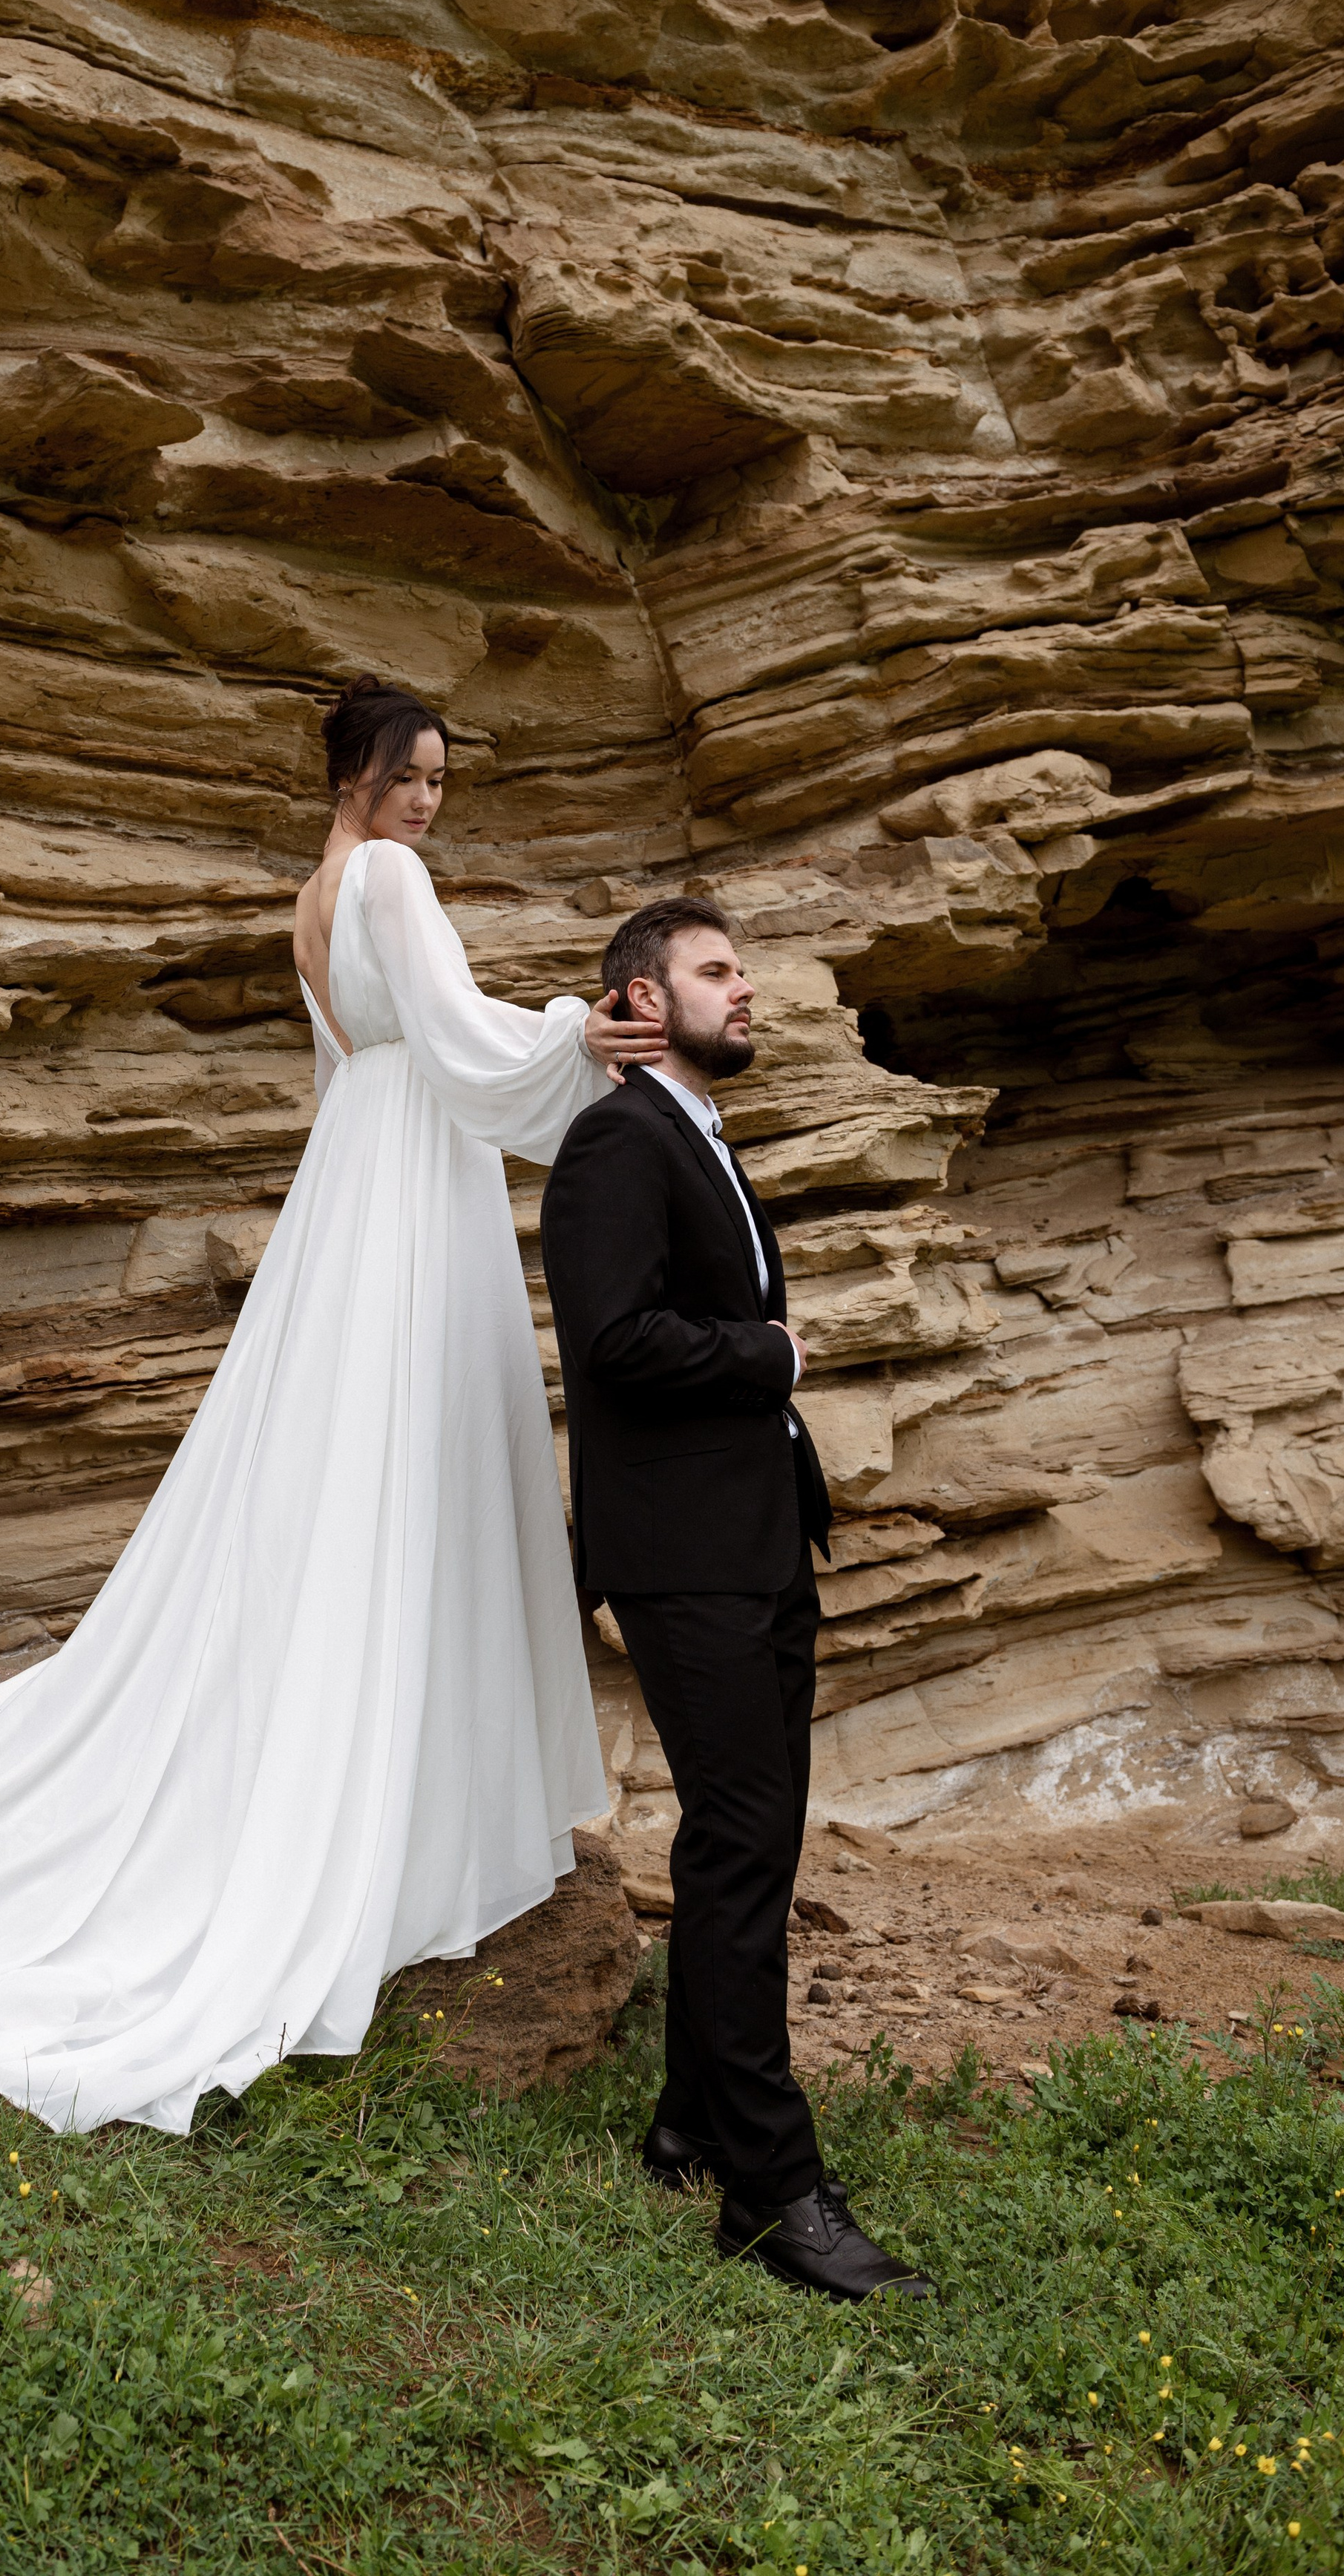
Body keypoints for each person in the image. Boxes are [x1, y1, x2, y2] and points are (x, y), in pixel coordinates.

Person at [0, 676, 662, 2134]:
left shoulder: (305, 899)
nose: (427, 804)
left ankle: (360, 1751)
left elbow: (359, 1062)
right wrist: (576, 1040)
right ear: (357, 774)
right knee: (401, 1475)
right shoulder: (387, 875)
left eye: (442, 783)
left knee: (337, 1477)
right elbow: (452, 1035)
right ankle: (385, 1799)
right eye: (412, 776)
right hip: (406, 1185)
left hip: (354, 1182)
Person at [539, 898, 933, 2302]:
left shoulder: (698, 1137)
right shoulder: (613, 1141)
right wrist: (768, 1354)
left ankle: (691, 2128)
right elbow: (614, 1339)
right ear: (643, 1001)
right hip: (684, 1553)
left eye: (742, 967)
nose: (746, 988)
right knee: (743, 1840)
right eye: (717, 971)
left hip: (756, 1542)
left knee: (743, 1846)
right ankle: (774, 2191)